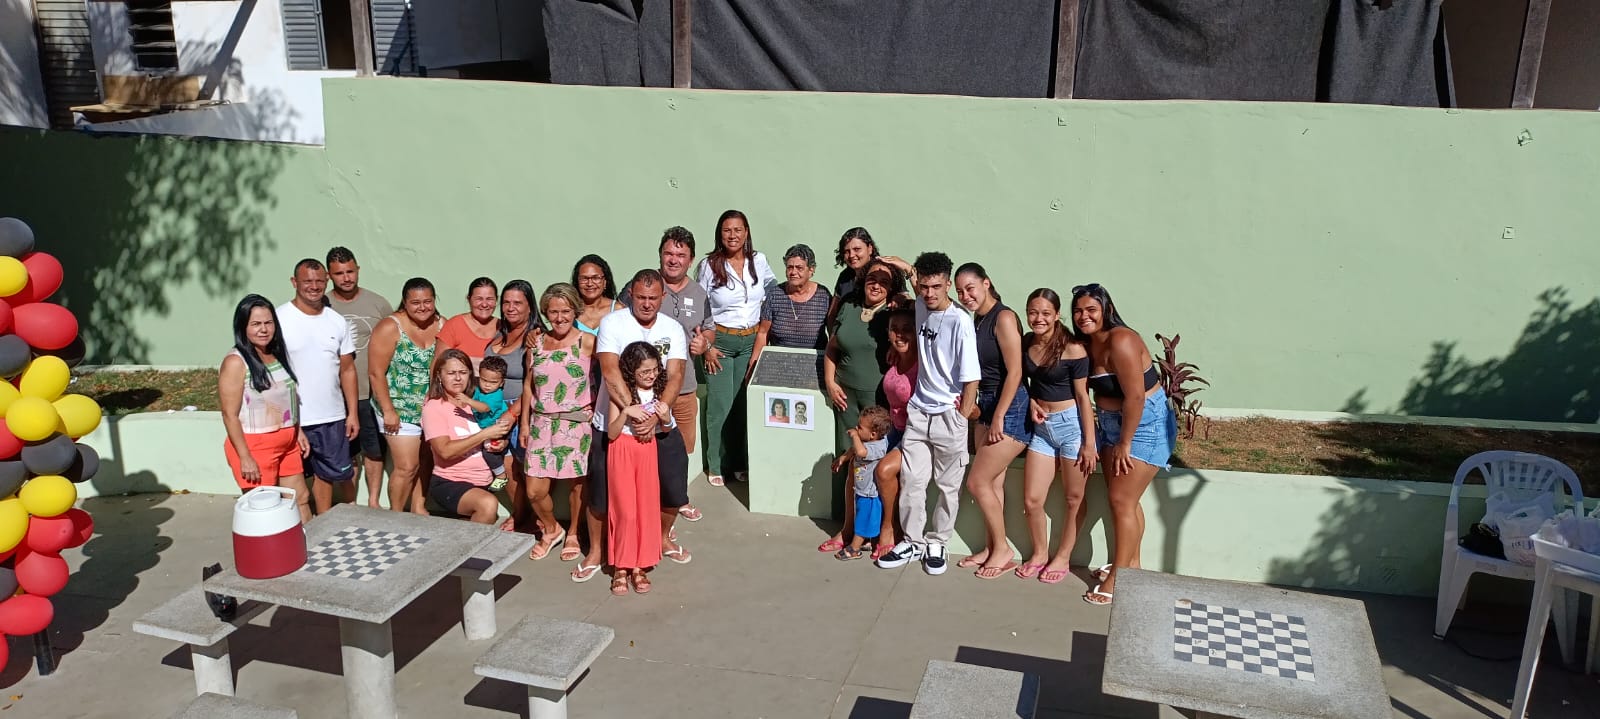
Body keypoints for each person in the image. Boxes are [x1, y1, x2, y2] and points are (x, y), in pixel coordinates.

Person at [582, 270, 693, 583]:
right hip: (616, 427)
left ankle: (661, 539)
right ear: (630, 294)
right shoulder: (612, 323)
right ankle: (597, 551)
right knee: (602, 496)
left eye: (653, 298)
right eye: (641, 297)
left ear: (663, 297)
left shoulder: (673, 328)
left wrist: (656, 415)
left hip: (661, 426)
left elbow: (675, 375)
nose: (646, 304)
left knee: (672, 489)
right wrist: (636, 415)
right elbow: (610, 371)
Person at [1072, 283, 1177, 606]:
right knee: (1125, 501)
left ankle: (1118, 577)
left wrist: (1125, 443)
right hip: (1109, 423)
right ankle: (1132, 566)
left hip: (1144, 424)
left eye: (1091, 309)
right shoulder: (1088, 343)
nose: (1084, 316)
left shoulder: (1122, 340)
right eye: (1078, 311)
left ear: (1106, 309)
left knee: (1121, 500)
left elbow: (1135, 397)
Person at [876, 252, 979, 575]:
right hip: (919, 413)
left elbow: (971, 377)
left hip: (949, 416)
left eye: (936, 287)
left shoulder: (960, 321)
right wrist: (904, 266)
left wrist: (961, 416)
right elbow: (913, 277)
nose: (929, 293)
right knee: (912, 481)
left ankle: (938, 542)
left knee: (948, 486)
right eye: (924, 287)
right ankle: (913, 542)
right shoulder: (921, 305)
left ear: (948, 284)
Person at [617, 226, 713, 522]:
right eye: (668, 253)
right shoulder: (642, 286)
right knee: (642, 447)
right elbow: (617, 318)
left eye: (681, 255)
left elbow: (709, 327)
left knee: (679, 451)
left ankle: (676, 500)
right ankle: (648, 502)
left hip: (682, 389)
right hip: (641, 392)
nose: (674, 259)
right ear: (660, 255)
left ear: (691, 259)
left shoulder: (699, 293)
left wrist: (705, 343)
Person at [818, 259, 905, 553]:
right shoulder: (849, 307)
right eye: (872, 279)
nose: (876, 285)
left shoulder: (895, 312)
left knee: (880, 470)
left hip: (878, 403)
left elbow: (925, 306)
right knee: (853, 466)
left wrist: (906, 272)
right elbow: (833, 346)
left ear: (892, 287)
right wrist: (830, 382)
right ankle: (849, 529)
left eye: (884, 281)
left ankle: (883, 532)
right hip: (846, 399)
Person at [952, 263, 1031, 580]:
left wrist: (998, 415)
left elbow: (1016, 371)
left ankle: (1003, 550)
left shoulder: (1004, 317)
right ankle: (991, 547)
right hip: (985, 405)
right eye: (960, 291)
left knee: (977, 482)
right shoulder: (978, 319)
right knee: (993, 484)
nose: (965, 296)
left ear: (986, 283)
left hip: (1009, 408)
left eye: (970, 288)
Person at [1019, 288, 1096, 586]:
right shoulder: (1027, 342)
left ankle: (1063, 556)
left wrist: (1089, 443)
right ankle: (1039, 553)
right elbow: (1022, 380)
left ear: (1057, 315)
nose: (1038, 318)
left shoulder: (1073, 349)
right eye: (1033, 312)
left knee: (1073, 499)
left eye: (1045, 313)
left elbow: (1083, 397)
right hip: (1041, 428)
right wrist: (1031, 401)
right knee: (1032, 500)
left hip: (1071, 427)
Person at [696, 210, 776, 486]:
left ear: (746, 232)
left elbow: (773, 293)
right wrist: (706, 346)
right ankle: (716, 464)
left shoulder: (759, 261)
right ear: (720, 234)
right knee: (719, 406)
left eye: (738, 230)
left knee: (743, 404)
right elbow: (700, 307)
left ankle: (739, 462)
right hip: (720, 342)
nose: (733, 235)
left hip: (750, 341)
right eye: (727, 230)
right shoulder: (709, 265)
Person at [218, 295, 313, 522]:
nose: (263, 329)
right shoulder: (236, 362)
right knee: (265, 509)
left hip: (288, 442)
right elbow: (229, 415)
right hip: (256, 446)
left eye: (268, 323)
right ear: (243, 327)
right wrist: (245, 457)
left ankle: (308, 543)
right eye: (256, 324)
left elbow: (286, 398)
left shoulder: (276, 353)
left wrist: (297, 430)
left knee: (300, 498)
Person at [277, 259, 359, 515]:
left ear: (327, 281)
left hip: (331, 415)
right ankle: (298, 528)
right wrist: (287, 418)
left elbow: (347, 369)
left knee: (328, 476)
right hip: (292, 418)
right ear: (294, 282)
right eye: (307, 281)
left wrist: (352, 413)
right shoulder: (278, 319)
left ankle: (324, 524)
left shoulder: (337, 321)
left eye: (319, 281)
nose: (314, 286)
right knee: (295, 483)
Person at [523, 283, 594, 562]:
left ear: (575, 311)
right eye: (553, 312)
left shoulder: (587, 342)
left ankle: (574, 532)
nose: (560, 317)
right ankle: (552, 529)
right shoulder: (536, 343)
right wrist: (525, 424)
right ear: (545, 312)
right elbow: (529, 386)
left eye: (565, 311)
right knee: (535, 490)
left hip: (577, 422)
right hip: (542, 423)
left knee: (577, 485)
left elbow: (606, 377)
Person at [325, 247, 394, 509]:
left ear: (358, 270)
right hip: (337, 396)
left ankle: (374, 501)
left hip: (371, 393)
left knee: (374, 451)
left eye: (350, 271)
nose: (346, 278)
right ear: (329, 275)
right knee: (348, 453)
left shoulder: (378, 304)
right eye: (339, 273)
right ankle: (350, 503)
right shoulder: (322, 306)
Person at [368, 278, 442, 514]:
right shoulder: (390, 327)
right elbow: (376, 373)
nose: (422, 307)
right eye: (415, 302)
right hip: (397, 407)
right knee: (407, 466)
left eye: (427, 301)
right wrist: (388, 410)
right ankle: (396, 514)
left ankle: (418, 507)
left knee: (426, 460)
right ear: (405, 302)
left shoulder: (442, 325)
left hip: (429, 407)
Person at [605, 341, 673, 595]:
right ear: (631, 371)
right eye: (644, 371)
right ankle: (621, 566)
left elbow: (666, 428)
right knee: (625, 511)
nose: (651, 375)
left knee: (645, 507)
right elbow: (611, 433)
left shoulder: (659, 391)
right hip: (622, 450)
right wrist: (626, 412)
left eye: (654, 369)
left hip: (647, 451)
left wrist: (665, 418)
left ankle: (640, 565)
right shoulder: (621, 393)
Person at [422, 349, 513, 524]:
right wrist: (485, 434)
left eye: (463, 372)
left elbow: (491, 429)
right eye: (451, 373)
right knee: (487, 504)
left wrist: (501, 443)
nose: (458, 378)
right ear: (439, 375)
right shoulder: (434, 407)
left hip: (483, 481)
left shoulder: (474, 402)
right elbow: (445, 451)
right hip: (450, 481)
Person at [485, 279, 541, 531]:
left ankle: (536, 517)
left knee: (528, 469)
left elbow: (535, 382)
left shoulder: (535, 337)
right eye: (506, 302)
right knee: (506, 465)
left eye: (517, 303)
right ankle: (520, 513)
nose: (510, 308)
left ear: (530, 306)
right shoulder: (500, 333)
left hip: (520, 412)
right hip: (495, 412)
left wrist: (512, 413)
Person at [870, 308, 918, 558]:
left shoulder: (925, 364)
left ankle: (890, 528)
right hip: (894, 430)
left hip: (916, 435)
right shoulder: (895, 357)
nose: (900, 334)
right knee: (858, 462)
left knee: (884, 470)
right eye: (894, 329)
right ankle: (853, 531)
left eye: (907, 329)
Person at [830, 406, 893, 561]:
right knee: (863, 519)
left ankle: (854, 549)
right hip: (861, 490)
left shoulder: (878, 447)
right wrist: (843, 458)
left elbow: (860, 452)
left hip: (870, 494)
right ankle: (869, 542)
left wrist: (854, 435)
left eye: (860, 427)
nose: (856, 429)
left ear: (873, 434)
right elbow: (854, 450)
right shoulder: (867, 441)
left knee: (864, 521)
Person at [753, 244, 832, 364]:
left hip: (813, 365)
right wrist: (754, 364)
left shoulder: (823, 296)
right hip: (778, 364)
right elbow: (763, 333)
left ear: (811, 270)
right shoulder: (775, 294)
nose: (793, 272)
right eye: (790, 267)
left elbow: (833, 334)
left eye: (799, 268)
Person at [465, 355, 512, 481]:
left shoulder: (496, 395)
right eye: (484, 380)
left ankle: (501, 474)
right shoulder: (478, 390)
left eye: (493, 382)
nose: (487, 385)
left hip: (498, 428)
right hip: (485, 427)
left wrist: (467, 401)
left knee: (489, 450)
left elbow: (484, 408)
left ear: (502, 383)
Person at [437, 278, 499, 369]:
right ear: (469, 299)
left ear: (496, 300)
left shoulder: (504, 328)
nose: (484, 304)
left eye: (489, 299)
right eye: (479, 299)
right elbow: (438, 366)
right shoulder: (454, 325)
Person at [825, 227, 880, 327]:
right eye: (847, 251)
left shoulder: (883, 272)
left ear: (870, 249)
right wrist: (833, 334)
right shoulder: (845, 276)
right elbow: (832, 314)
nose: (851, 255)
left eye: (857, 249)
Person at [573, 256, 620, 337]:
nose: (590, 284)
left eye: (595, 278)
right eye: (584, 278)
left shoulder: (618, 310)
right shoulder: (570, 310)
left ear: (605, 282)